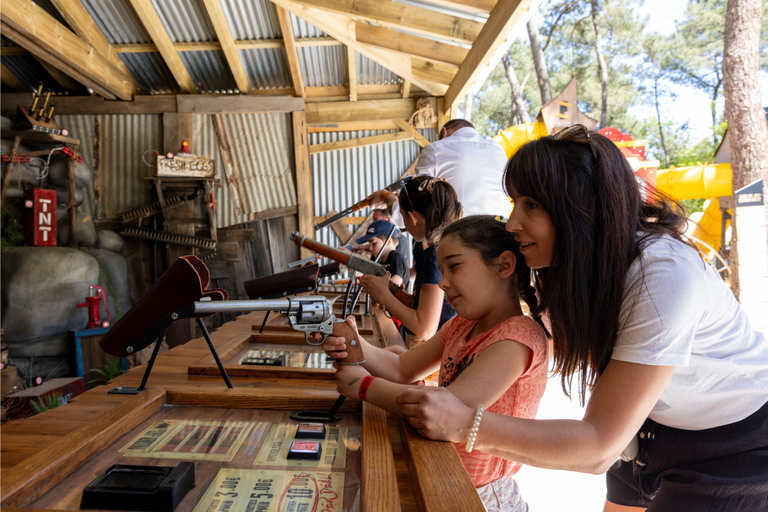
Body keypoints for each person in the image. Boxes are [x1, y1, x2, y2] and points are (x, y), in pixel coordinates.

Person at [395, 125, 768, 512]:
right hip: (648, 425)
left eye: (531, 205)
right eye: (514, 204)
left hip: (735, 443)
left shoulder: (663, 276)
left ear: (582, 207)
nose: (511, 224)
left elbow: (597, 448)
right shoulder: (564, 274)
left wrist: (466, 424)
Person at [322, 215, 549, 512]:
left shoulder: (518, 337)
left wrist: (363, 386)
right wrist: (354, 344)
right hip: (443, 472)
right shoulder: (460, 326)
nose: (443, 283)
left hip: (480, 496)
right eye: (442, 272)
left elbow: (443, 410)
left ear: (503, 266)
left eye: (454, 267)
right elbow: (403, 369)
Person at [362, 175, 461, 344]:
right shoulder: (445, 247)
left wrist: (382, 294)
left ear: (413, 217)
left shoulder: (433, 255)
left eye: (402, 215)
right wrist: (390, 288)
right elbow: (420, 305)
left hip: (437, 352)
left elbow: (425, 328)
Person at [368, 119, 510, 226]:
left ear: (444, 132)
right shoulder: (498, 151)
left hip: (462, 236)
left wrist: (387, 196)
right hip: (501, 231)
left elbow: (414, 210)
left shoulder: (437, 149)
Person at [354, 219, 409, 287]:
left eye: (374, 243)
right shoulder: (380, 261)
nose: (370, 248)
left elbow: (396, 283)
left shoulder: (396, 257)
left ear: (388, 242)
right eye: (369, 244)